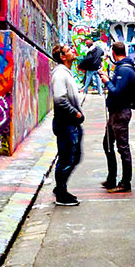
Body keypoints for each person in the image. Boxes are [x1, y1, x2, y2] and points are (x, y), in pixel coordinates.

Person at [99, 41, 135, 193]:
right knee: (107, 144)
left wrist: (107, 81)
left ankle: (125, 183)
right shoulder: (121, 68)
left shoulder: (124, 70)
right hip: (115, 113)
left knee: (123, 148)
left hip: (120, 113)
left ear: (113, 52)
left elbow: (117, 92)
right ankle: (111, 178)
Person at [51, 44, 84, 206]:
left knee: (74, 156)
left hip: (72, 122)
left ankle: (60, 187)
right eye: (69, 50)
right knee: (66, 158)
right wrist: (75, 113)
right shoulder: (59, 74)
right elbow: (60, 100)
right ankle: (61, 193)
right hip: (66, 122)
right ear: (63, 57)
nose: (73, 51)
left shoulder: (66, 73)